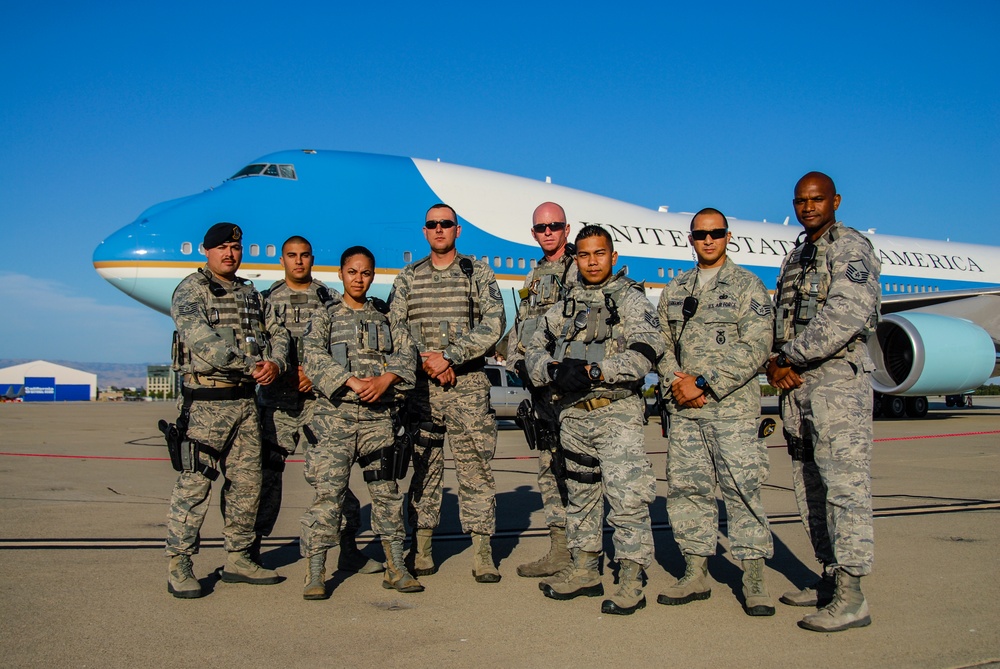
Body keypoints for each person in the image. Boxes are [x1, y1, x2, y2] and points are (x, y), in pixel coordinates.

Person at [525, 225, 663, 615]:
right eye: (584, 255)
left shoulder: (631, 300)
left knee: (627, 498)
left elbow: (646, 350)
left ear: (613, 257)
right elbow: (531, 345)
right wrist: (551, 369)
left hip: (615, 412)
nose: (591, 261)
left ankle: (631, 580)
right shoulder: (566, 305)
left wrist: (595, 372)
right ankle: (585, 570)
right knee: (581, 498)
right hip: (573, 417)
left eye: (599, 254)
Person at [767, 172, 880, 633]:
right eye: (801, 201)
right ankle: (830, 579)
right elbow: (783, 318)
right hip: (797, 387)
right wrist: (777, 364)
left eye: (817, 199)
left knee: (844, 488)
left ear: (835, 200)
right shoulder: (795, 256)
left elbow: (846, 313)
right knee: (809, 486)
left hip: (837, 386)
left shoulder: (851, 247)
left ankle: (852, 597)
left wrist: (787, 355)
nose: (808, 207)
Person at [655, 208, 776, 616]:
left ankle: (754, 577)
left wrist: (704, 383)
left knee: (743, 490)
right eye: (700, 234)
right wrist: (678, 382)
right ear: (691, 239)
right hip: (686, 411)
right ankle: (695, 571)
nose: (708, 240)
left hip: (731, 411)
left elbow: (756, 345)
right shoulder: (675, 290)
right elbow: (661, 344)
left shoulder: (748, 287)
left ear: (728, 236)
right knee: (689, 491)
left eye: (716, 233)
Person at [165, 222, 290, 598]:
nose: (229, 254)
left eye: (235, 247)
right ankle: (179, 562)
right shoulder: (191, 290)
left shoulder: (252, 295)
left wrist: (277, 363)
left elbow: (278, 332)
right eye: (221, 247)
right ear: (207, 251)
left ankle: (238, 557)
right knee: (195, 484)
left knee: (247, 485)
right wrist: (251, 364)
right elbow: (199, 340)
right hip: (206, 403)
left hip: (246, 403)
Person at [388, 203, 506, 583]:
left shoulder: (478, 273)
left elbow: (494, 323)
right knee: (423, 470)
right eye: (432, 224)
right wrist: (424, 360)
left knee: (475, 471)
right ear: (425, 232)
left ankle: (482, 553)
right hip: (422, 389)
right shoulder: (408, 277)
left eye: (446, 224)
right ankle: (422, 549)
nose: (439, 229)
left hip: (466, 386)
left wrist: (450, 357)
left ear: (457, 230)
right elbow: (395, 324)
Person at [299, 246, 424, 599]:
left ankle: (396, 567)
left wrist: (386, 380)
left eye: (366, 273)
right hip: (334, 418)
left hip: (377, 420)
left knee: (386, 493)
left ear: (373, 275)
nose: (359, 279)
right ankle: (316, 573)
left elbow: (406, 355)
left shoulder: (386, 317)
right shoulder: (325, 315)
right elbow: (312, 355)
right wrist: (350, 381)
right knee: (329, 495)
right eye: (352, 272)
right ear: (340, 274)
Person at [256, 236, 381, 574]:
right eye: (292, 256)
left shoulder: (328, 297)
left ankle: (347, 545)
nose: (299, 262)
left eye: (305, 256)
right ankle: (250, 551)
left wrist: (316, 374)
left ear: (313, 259)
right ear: (282, 259)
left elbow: (340, 343)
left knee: (332, 478)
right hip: (277, 403)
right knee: (266, 476)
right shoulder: (266, 299)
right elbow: (260, 345)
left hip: (318, 401)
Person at [506, 202, 577, 578]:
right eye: (541, 227)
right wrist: (516, 359)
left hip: (569, 388)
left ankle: (587, 553)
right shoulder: (534, 275)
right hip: (538, 389)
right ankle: (560, 550)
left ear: (567, 229)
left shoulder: (579, 269)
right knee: (549, 468)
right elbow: (522, 325)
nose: (548, 232)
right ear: (533, 233)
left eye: (555, 226)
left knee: (580, 469)